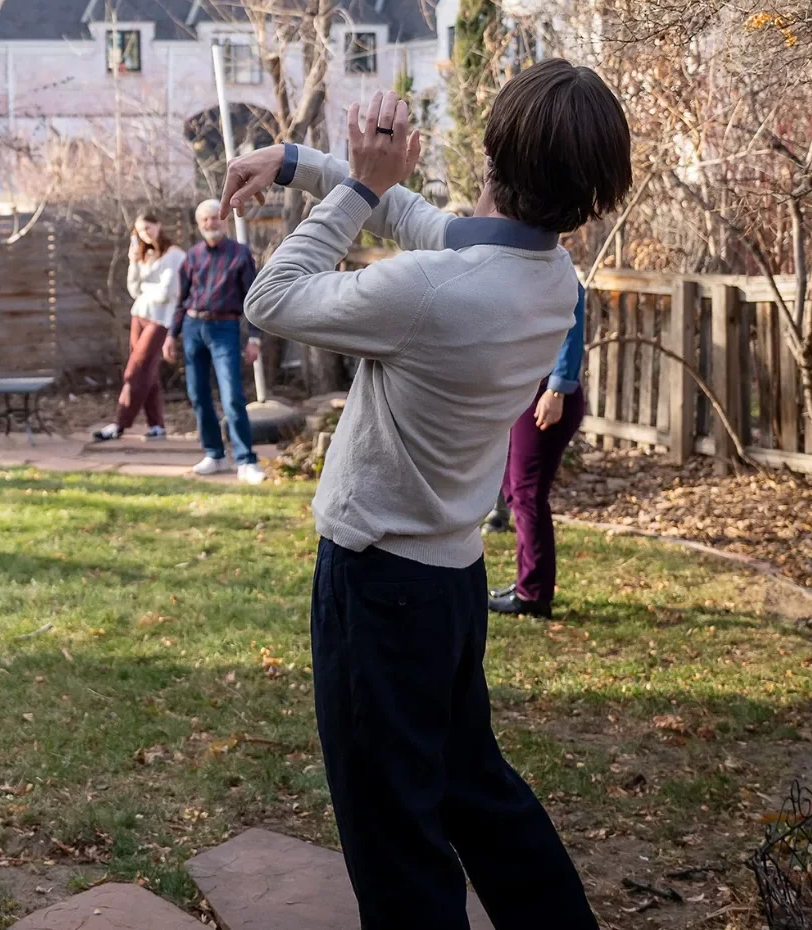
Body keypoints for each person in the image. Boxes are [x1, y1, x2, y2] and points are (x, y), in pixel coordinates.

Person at [223, 60, 631, 930]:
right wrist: (303, 163)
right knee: (475, 794)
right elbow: (420, 220)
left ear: (491, 154)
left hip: (377, 589)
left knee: (393, 835)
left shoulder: (433, 295)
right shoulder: (550, 278)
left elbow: (272, 297)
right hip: (447, 583)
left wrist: (357, 186)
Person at [489, 283, 588, 618]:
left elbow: (571, 331)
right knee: (515, 491)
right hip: (524, 390)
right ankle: (525, 583)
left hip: (548, 395)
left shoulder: (558, 272)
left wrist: (558, 389)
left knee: (528, 493)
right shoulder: (522, 265)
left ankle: (534, 595)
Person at [179, 198, 266, 484]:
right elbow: (181, 299)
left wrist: (254, 339)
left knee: (232, 396)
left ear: (224, 219)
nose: (210, 224)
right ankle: (214, 454)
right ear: (199, 224)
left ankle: (245, 460)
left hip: (224, 328)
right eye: (204, 220)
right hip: (193, 328)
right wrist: (171, 335)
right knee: (198, 395)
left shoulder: (240, 254)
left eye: (215, 218)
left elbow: (252, 300)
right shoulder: (191, 256)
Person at [93, 210, 184, 442]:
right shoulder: (146, 255)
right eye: (140, 231)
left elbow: (167, 292)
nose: (145, 234)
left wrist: (146, 289)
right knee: (148, 374)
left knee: (135, 370)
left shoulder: (174, 255)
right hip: (139, 316)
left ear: (158, 225)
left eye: (148, 228)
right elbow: (133, 290)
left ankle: (119, 423)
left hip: (160, 319)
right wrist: (133, 262)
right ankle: (157, 426)